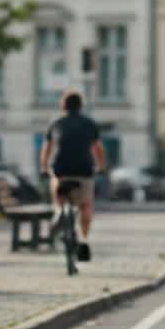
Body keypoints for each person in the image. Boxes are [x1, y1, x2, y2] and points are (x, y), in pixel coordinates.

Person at [39, 90, 106, 262]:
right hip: (83, 172)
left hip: (61, 172)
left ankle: (58, 212)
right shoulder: (89, 124)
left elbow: (46, 149)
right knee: (85, 206)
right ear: (80, 106)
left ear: (63, 106)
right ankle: (84, 240)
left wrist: (44, 167)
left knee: (57, 189)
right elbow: (97, 149)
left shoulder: (55, 124)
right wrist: (101, 167)